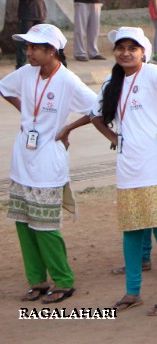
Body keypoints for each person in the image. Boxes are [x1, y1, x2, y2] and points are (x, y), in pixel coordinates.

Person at [91, 27, 157, 315]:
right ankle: (132, 291)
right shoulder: (112, 81)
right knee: (132, 231)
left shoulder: (153, 74)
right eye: (120, 47)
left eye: (131, 47)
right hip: (129, 167)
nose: (125, 52)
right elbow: (95, 116)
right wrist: (113, 138)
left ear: (143, 51)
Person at [2, 24, 95, 304]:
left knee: (45, 226)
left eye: (33, 48)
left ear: (51, 51)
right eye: (27, 47)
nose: (27, 52)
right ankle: (37, 281)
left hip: (47, 160)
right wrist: (27, 113)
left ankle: (64, 281)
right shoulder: (25, 74)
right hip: (22, 158)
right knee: (24, 223)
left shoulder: (67, 81)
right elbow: (4, 88)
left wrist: (67, 128)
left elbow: (98, 108)